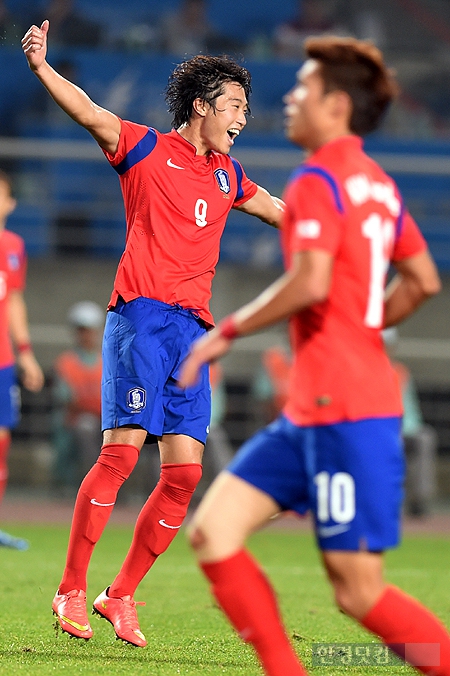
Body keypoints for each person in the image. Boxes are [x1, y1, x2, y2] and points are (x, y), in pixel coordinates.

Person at [179, 36, 450, 676]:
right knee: (213, 534)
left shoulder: (318, 178)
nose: (288, 101)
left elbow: (311, 281)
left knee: (357, 592)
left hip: (347, 415)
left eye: (301, 89)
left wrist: (227, 331)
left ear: (334, 105)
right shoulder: (378, 185)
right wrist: (365, 324)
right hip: (312, 411)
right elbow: (423, 281)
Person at [22, 20, 284, 646]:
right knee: (120, 452)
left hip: (193, 332)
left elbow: (285, 213)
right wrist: (40, 67)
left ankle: (121, 596)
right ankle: (71, 591)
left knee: (186, 474)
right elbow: (90, 112)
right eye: (235, 107)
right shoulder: (144, 148)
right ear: (202, 106)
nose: (242, 118)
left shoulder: (229, 174)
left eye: (245, 108)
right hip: (140, 317)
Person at [0, 169, 44, 549]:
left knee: (1, 439)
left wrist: (26, 353)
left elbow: (13, 299)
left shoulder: (13, 245)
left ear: (11, 203)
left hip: (2, 359)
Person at [383, 327, 438, 517]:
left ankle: (419, 501)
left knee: (425, 438)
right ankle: (387, 500)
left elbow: (411, 413)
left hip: (402, 429)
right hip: (378, 429)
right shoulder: (361, 371)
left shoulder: (400, 372)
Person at [51, 301, 103, 492]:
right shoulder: (66, 362)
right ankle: (90, 486)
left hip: (104, 420)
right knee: (85, 427)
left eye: (89, 330)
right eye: (82, 330)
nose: (86, 335)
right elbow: (68, 400)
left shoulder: (106, 361)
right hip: (77, 421)